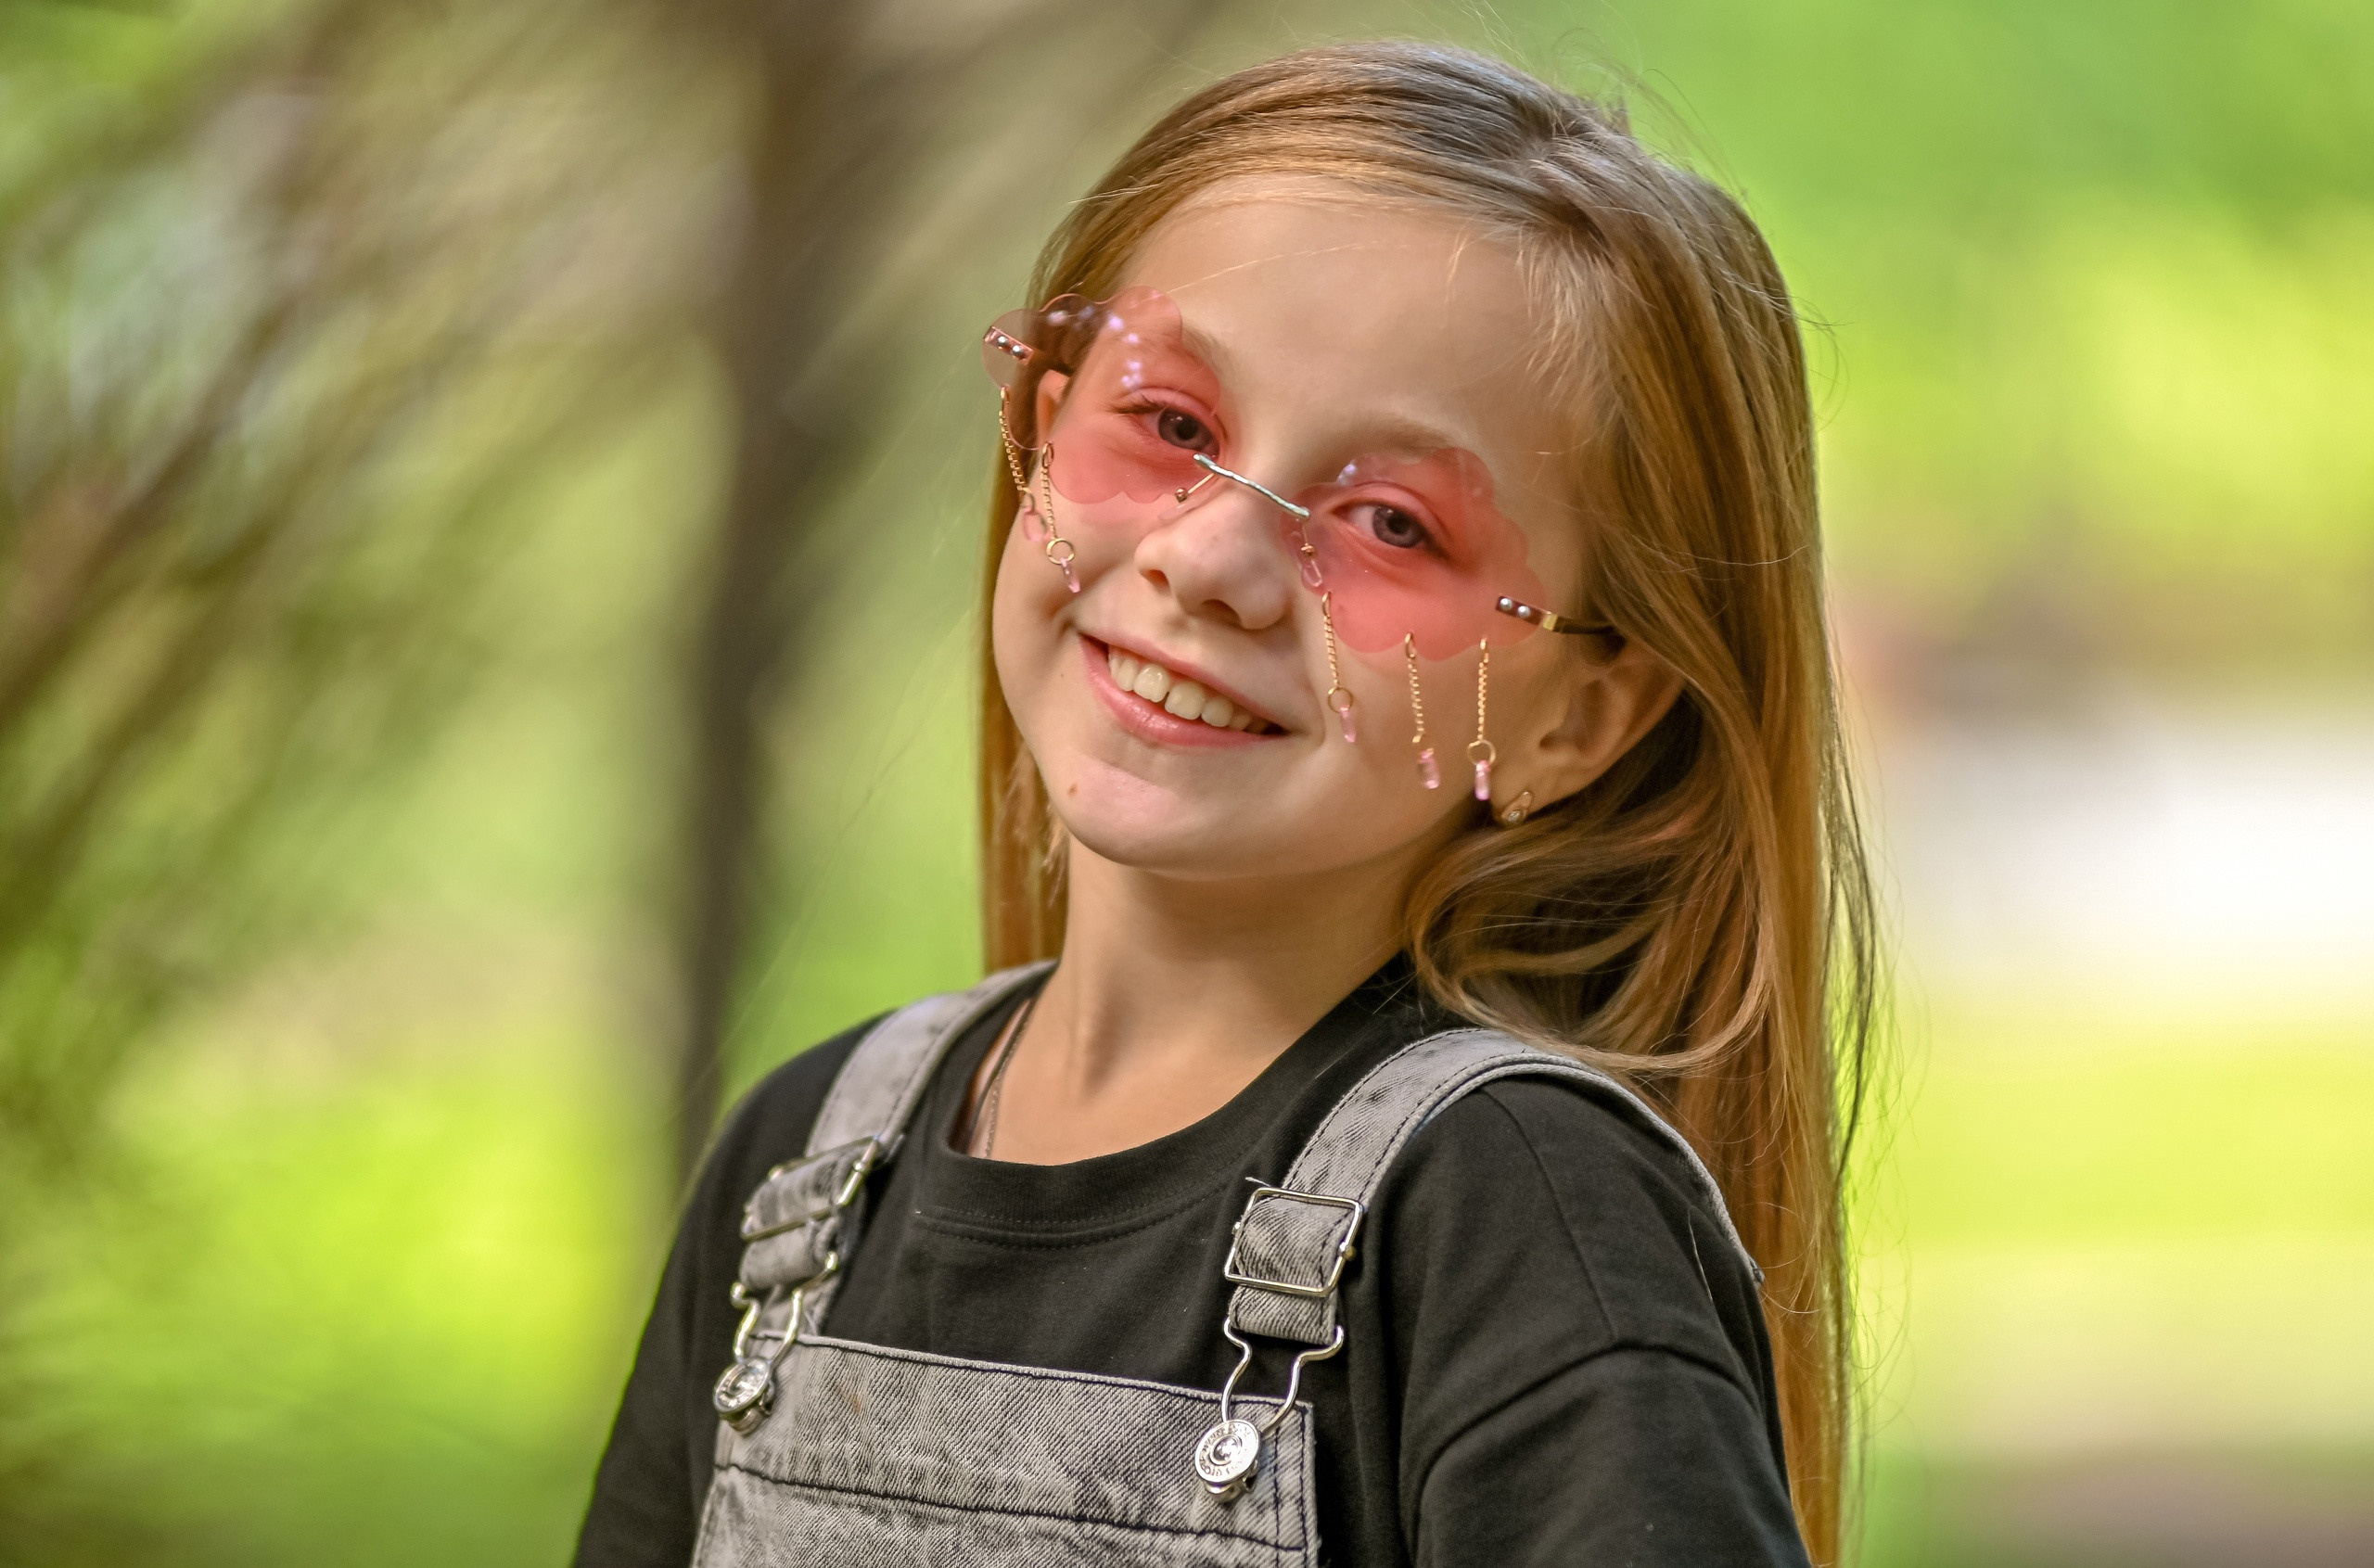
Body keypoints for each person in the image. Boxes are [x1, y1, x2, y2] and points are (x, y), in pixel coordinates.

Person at [574, 39, 1877, 1568]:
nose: (1210, 560)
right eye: (1175, 426)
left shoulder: (1512, 1214)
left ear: (1582, 719)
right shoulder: (802, 1167)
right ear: (1045, 430)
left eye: (1392, 522)